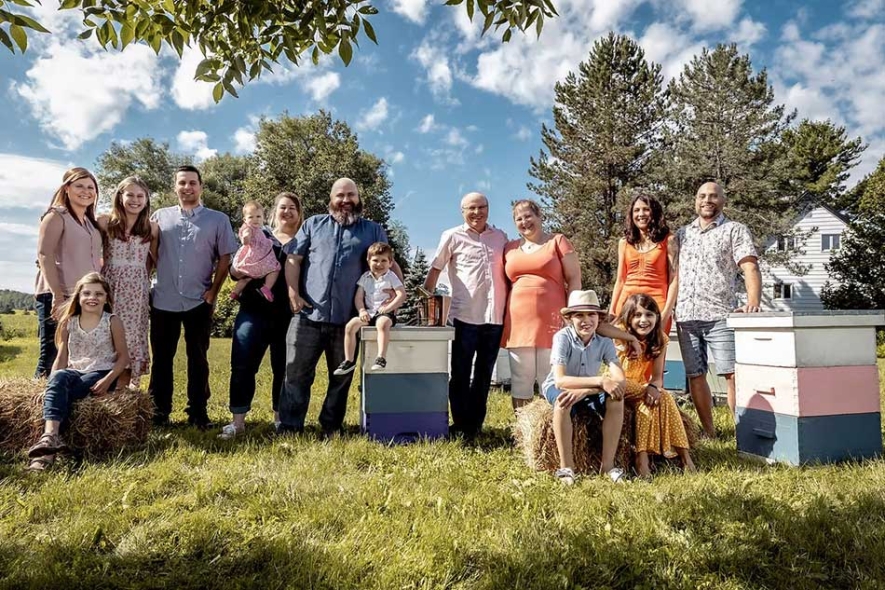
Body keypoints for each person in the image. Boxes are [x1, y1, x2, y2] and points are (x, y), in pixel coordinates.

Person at [280, 178, 402, 436]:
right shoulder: (313, 224)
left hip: (349, 319)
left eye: (351, 195)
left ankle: (331, 427)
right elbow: (293, 259)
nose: (346, 200)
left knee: (341, 378)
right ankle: (290, 427)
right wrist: (292, 293)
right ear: (331, 198)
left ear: (359, 198)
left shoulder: (373, 230)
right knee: (295, 374)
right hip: (308, 315)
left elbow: (390, 265)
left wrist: (394, 302)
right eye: (340, 195)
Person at [149, 165, 239, 428]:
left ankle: (198, 413)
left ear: (201, 187)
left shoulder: (218, 219)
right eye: (182, 183)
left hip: (199, 300)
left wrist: (213, 291)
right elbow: (150, 253)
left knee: (198, 360)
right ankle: (159, 413)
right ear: (174, 187)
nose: (187, 187)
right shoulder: (159, 217)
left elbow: (225, 257)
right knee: (162, 360)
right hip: (163, 300)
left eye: (192, 183)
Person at [675, 181, 761, 438]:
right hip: (686, 316)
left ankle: (741, 431)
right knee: (695, 375)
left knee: (732, 374)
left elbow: (749, 267)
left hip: (720, 315)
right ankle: (709, 431)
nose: (707, 200)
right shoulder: (682, 233)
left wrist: (753, 302)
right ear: (695, 200)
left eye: (713, 196)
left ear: (723, 200)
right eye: (702, 196)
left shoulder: (734, 230)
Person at [425, 192, 508, 439]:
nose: (477, 212)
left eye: (482, 207)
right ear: (463, 211)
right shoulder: (452, 236)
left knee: (484, 375)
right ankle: (460, 424)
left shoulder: (500, 237)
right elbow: (436, 268)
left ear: (488, 209)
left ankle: (475, 425)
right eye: (471, 208)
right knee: (460, 374)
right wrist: (426, 298)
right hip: (464, 316)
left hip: (494, 318)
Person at [219, 192, 302, 440]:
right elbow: (235, 270)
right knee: (242, 364)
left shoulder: (303, 240)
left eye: (292, 208)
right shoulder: (260, 234)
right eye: (282, 207)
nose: (287, 212)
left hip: (287, 315)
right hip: (253, 310)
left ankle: (279, 419)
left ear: (299, 213)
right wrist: (237, 270)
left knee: (283, 369)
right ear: (273, 212)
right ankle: (238, 421)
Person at [26, 272, 130, 470]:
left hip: (101, 372)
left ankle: (45, 457)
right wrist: (50, 383)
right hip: (75, 371)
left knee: (61, 397)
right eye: (87, 293)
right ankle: (50, 437)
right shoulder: (69, 322)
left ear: (106, 297)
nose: (92, 298)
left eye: (99, 294)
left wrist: (108, 381)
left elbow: (123, 358)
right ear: (79, 297)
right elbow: (62, 357)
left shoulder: (112, 321)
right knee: (58, 381)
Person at [502, 199, 581, 411]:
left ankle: (552, 428)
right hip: (518, 321)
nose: (524, 221)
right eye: (519, 218)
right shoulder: (509, 248)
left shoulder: (558, 241)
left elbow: (574, 279)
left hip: (553, 320)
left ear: (540, 217)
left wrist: (572, 313)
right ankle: (523, 430)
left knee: (550, 376)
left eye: (528, 216)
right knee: (521, 377)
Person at [541, 290, 627, 484]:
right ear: (570, 318)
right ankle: (566, 468)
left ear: (599, 318)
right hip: (560, 386)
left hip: (588, 388)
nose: (586, 320)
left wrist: (589, 389)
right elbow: (560, 380)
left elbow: (620, 380)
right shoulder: (562, 338)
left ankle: (608, 466)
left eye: (591, 314)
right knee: (563, 402)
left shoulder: (604, 342)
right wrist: (600, 381)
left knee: (617, 399)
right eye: (579, 315)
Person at [615, 293, 695, 476]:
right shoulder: (619, 334)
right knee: (656, 396)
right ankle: (683, 458)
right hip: (619, 384)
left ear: (657, 317)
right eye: (637, 315)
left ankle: (644, 458)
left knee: (661, 397)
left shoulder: (660, 338)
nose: (644, 320)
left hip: (640, 388)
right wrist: (630, 341)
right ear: (628, 317)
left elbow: (657, 376)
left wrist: (654, 387)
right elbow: (603, 329)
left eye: (649, 315)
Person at [34, 167, 103, 378]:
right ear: (67, 188)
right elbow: (44, 254)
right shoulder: (56, 216)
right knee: (51, 355)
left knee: (74, 356)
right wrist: (57, 296)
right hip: (59, 295)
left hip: (82, 298)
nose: (86, 191)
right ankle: (41, 406)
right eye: (79, 186)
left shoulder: (90, 223)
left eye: (90, 187)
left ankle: (62, 404)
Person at [99, 176, 158, 390]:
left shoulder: (152, 228)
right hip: (110, 286)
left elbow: (153, 261)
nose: (135, 200)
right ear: (120, 196)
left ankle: (125, 389)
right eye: (130, 194)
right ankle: (103, 383)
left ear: (146, 200)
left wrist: (139, 279)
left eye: (140, 196)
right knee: (107, 333)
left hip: (136, 290)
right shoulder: (105, 222)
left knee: (132, 335)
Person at [334, 242, 407, 375]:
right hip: (369, 312)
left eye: (383, 260)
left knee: (382, 324)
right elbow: (358, 297)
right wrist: (361, 310)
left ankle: (381, 358)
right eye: (375, 260)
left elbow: (401, 295)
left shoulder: (391, 276)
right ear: (368, 261)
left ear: (390, 263)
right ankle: (349, 361)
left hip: (385, 313)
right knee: (350, 326)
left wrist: (389, 307)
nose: (379, 264)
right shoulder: (365, 277)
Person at [609, 193, 678, 334]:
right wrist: (612, 310)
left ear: (654, 212)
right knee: (624, 352)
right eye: (636, 210)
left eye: (646, 209)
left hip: (656, 304)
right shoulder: (624, 242)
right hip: (627, 304)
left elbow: (674, 279)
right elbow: (620, 280)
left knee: (654, 352)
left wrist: (666, 313)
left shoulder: (669, 240)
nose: (641, 214)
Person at [230, 200, 281, 303]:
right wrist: (245, 238)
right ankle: (267, 287)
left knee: (247, 278)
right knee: (275, 269)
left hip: (251, 262)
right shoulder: (249, 228)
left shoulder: (261, 230)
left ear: (263, 217)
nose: (255, 220)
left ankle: (235, 293)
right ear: (245, 219)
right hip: (257, 259)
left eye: (258, 216)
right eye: (251, 217)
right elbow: (246, 237)